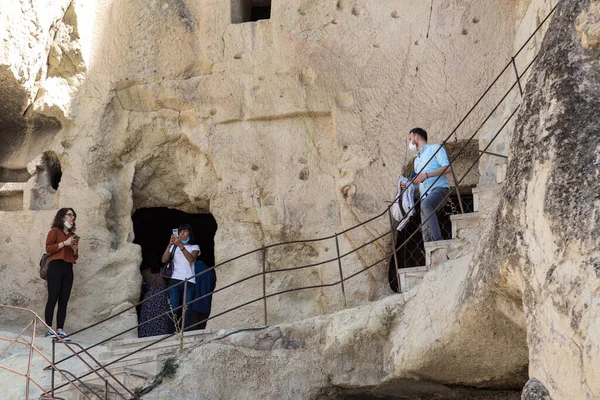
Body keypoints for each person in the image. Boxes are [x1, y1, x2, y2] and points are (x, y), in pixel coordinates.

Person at [403, 127, 451, 242]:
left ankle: (439, 241)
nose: (410, 142)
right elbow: (419, 182)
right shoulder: (416, 160)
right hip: (424, 194)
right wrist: (409, 186)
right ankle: (432, 257)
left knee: (425, 205)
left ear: (417, 137)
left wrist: (427, 175)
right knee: (425, 234)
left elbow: (448, 168)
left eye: (410, 139)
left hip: (440, 188)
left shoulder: (435, 148)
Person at [44, 208, 79, 340]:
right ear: (62, 217)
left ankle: (60, 330)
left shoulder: (73, 235)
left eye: (73, 216)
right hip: (55, 266)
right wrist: (65, 243)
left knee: (64, 300)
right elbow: (48, 248)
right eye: (69, 215)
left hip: (68, 267)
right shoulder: (54, 231)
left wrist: (75, 250)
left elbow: (75, 257)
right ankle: (48, 329)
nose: (72, 218)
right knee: (53, 298)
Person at [161, 223, 199, 333]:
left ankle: (185, 332)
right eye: (180, 231)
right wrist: (169, 245)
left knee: (186, 309)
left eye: (185, 231)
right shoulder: (173, 246)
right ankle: (171, 333)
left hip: (189, 281)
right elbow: (163, 260)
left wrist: (181, 246)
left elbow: (191, 259)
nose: (182, 233)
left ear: (189, 233)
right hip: (174, 280)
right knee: (173, 308)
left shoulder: (194, 247)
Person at [138, 253, 169, 337]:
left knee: (147, 318)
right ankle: (161, 335)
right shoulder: (164, 271)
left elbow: (141, 287)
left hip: (149, 297)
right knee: (161, 318)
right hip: (161, 297)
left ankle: (146, 335)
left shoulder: (144, 272)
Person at [190, 258, 217, 330]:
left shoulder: (192, 269)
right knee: (202, 328)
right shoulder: (210, 271)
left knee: (193, 329)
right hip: (206, 303)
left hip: (193, 302)